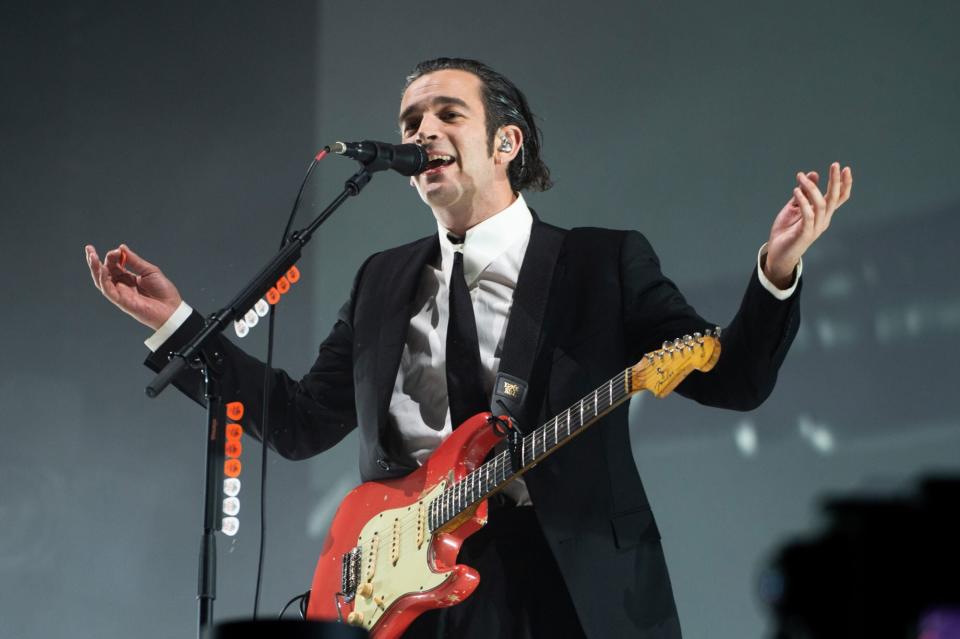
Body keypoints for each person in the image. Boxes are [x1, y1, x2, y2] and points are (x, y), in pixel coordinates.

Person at [85, 57, 853, 638]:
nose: (421, 131)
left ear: (506, 141)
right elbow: (297, 423)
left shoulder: (601, 263)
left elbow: (736, 379)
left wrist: (776, 271)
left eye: (446, 112)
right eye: (411, 116)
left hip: (560, 583)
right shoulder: (382, 278)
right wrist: (179, 323)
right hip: (404, 592)